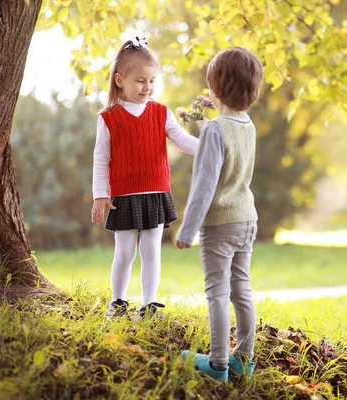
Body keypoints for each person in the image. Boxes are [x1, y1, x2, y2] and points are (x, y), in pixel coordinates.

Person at [91, 37, 198, 319]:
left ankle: (150, 304)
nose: (147, 87)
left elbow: (183, 140)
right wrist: (100, 194)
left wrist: (207, 147)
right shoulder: (108, 117)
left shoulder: (161, 113)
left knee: (151, 251)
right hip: (123, 197)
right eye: (140, 81)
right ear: (119, 80)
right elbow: (101, 159)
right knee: (124, 252)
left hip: (155, 193)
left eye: (151, 81)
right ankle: (118, 302)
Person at [175, 46, 263, 382]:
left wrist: (188, 230)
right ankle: (244, 359)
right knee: (242, 289)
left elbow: (205, 184)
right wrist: (197, 120)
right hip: (246, 219)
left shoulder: (215, 130)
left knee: (217, 292)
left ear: (215, 89)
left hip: (219, 224)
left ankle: (218, 364)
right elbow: (219, 143)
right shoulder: (247, 125)